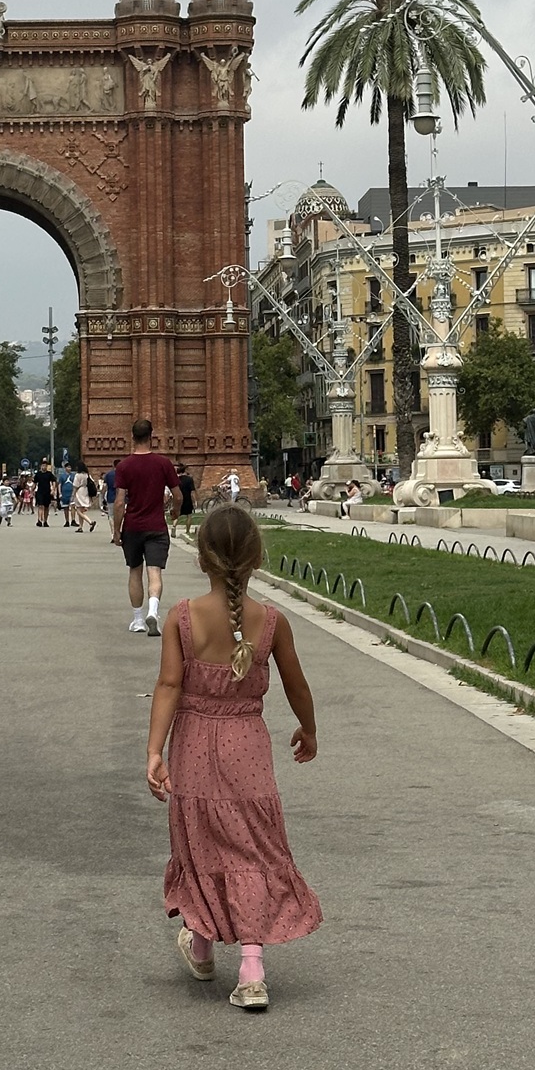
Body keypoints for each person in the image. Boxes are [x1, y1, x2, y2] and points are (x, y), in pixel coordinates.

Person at [147, 505, 321, 1011]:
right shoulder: (271, 622)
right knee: (251, 849)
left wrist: (155, 750)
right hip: (248, 749)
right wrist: (309, 731)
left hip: (195, 747)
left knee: (201, 845)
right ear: (256, 558)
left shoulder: (182, 617)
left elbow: (169, 685)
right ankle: (250, 968)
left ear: (201, 558)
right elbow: (297, 684)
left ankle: (201, 945)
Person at [113, 418, 178, 636]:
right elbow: (177, 495)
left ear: (132, 437)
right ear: (152, 436)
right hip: (157, 526)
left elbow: (120, 502)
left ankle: (139, 619)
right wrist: (176, 511)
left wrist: (116, 530)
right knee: (155, 572)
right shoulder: (163, 463)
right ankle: (153, 611)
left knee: (134, 571)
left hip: (132, 527)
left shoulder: (124, 466)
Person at [34, 457, 54, 528]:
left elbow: (53, 481)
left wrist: (53, 489)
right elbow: (34, 483)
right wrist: (32, 491)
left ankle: (45, 521)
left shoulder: (49, 474)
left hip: (47, 492)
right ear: (41, 466)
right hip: (40, 492)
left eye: (45, 466)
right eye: (43, 466)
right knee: (40, 506)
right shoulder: (38, 474)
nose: (44, 467)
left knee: (46, 507)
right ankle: (39, 520)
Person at [176, 464, 196, 530]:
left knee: (177, 515)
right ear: (185, 471)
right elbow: (192, 491)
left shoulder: (176, 479)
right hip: (187, 499)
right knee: (189, 516)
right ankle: (187, 530)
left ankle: (174, 527)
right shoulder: (189, 479)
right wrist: (195, 501)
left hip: (179, 498)